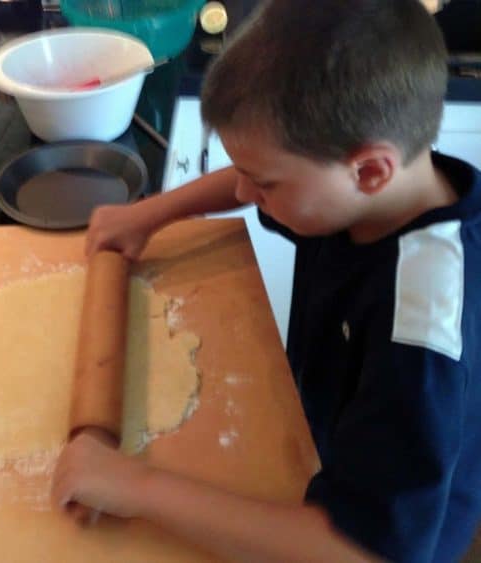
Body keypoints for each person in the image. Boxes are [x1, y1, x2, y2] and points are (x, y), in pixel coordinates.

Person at [50, 1, 481, 561]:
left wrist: (134, 487)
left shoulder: (419, 339)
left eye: (265, 185)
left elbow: (366, 551)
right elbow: (259, 168)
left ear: (371, 171)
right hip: (340, 434)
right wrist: (149, 214)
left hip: (392, 520)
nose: (249, 197)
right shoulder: (375, 183)